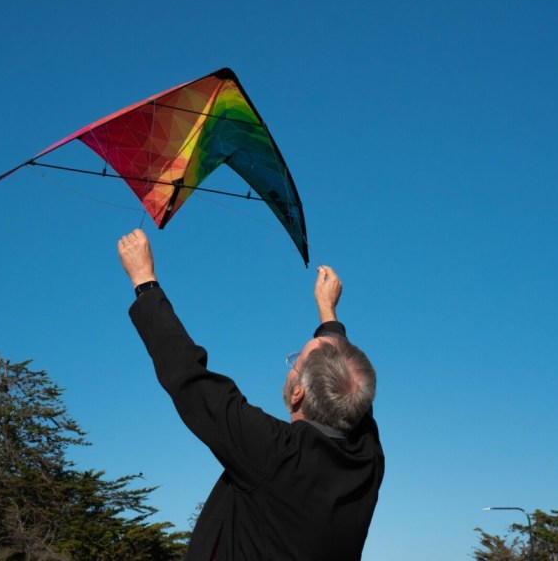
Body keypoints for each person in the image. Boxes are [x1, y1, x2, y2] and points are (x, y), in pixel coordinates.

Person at [118, 229, 384, 561]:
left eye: (294, 362)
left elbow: (189, 377)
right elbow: (352, 385)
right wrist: (328, 314)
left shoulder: (275, 454)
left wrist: (144, 281)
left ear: (298, 393)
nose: (290, 367)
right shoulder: (367, 459)